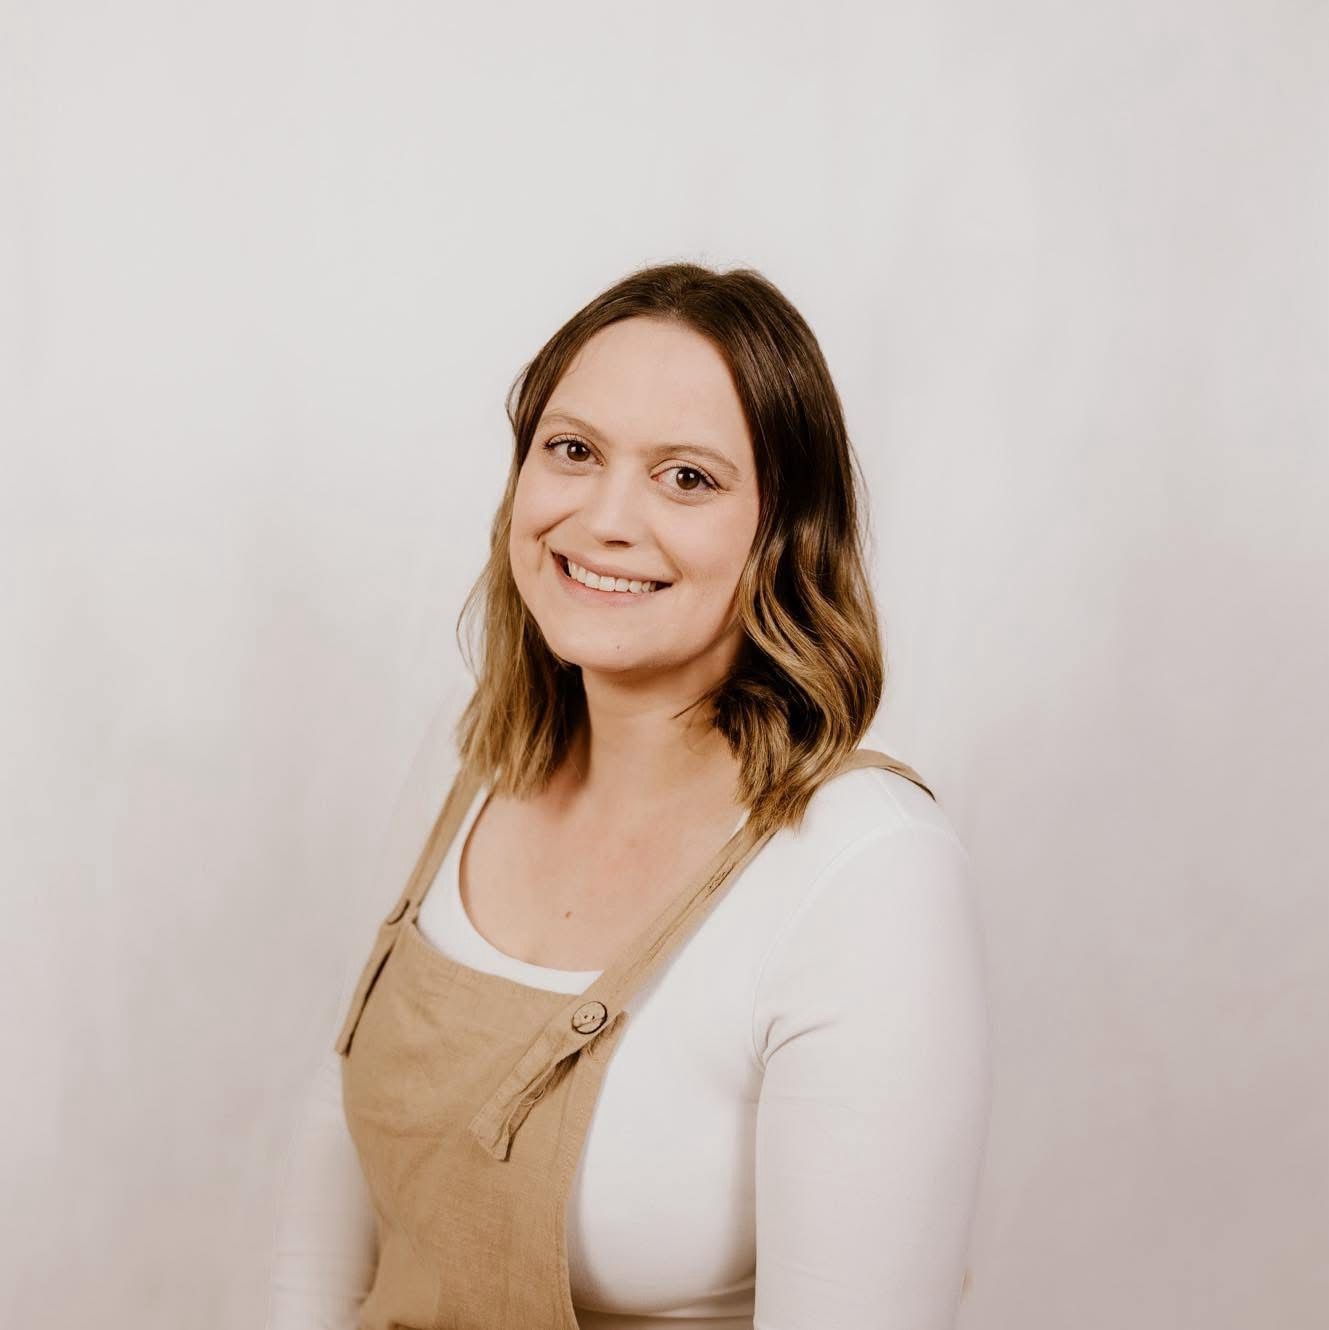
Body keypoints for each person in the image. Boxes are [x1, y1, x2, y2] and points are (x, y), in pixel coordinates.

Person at [267, 262, 993, 1330]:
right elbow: (335, 1141)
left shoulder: (867, 867)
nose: (606, 518)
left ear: (786, 530)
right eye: (573, 451)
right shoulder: (471, 757)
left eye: (686, 478)